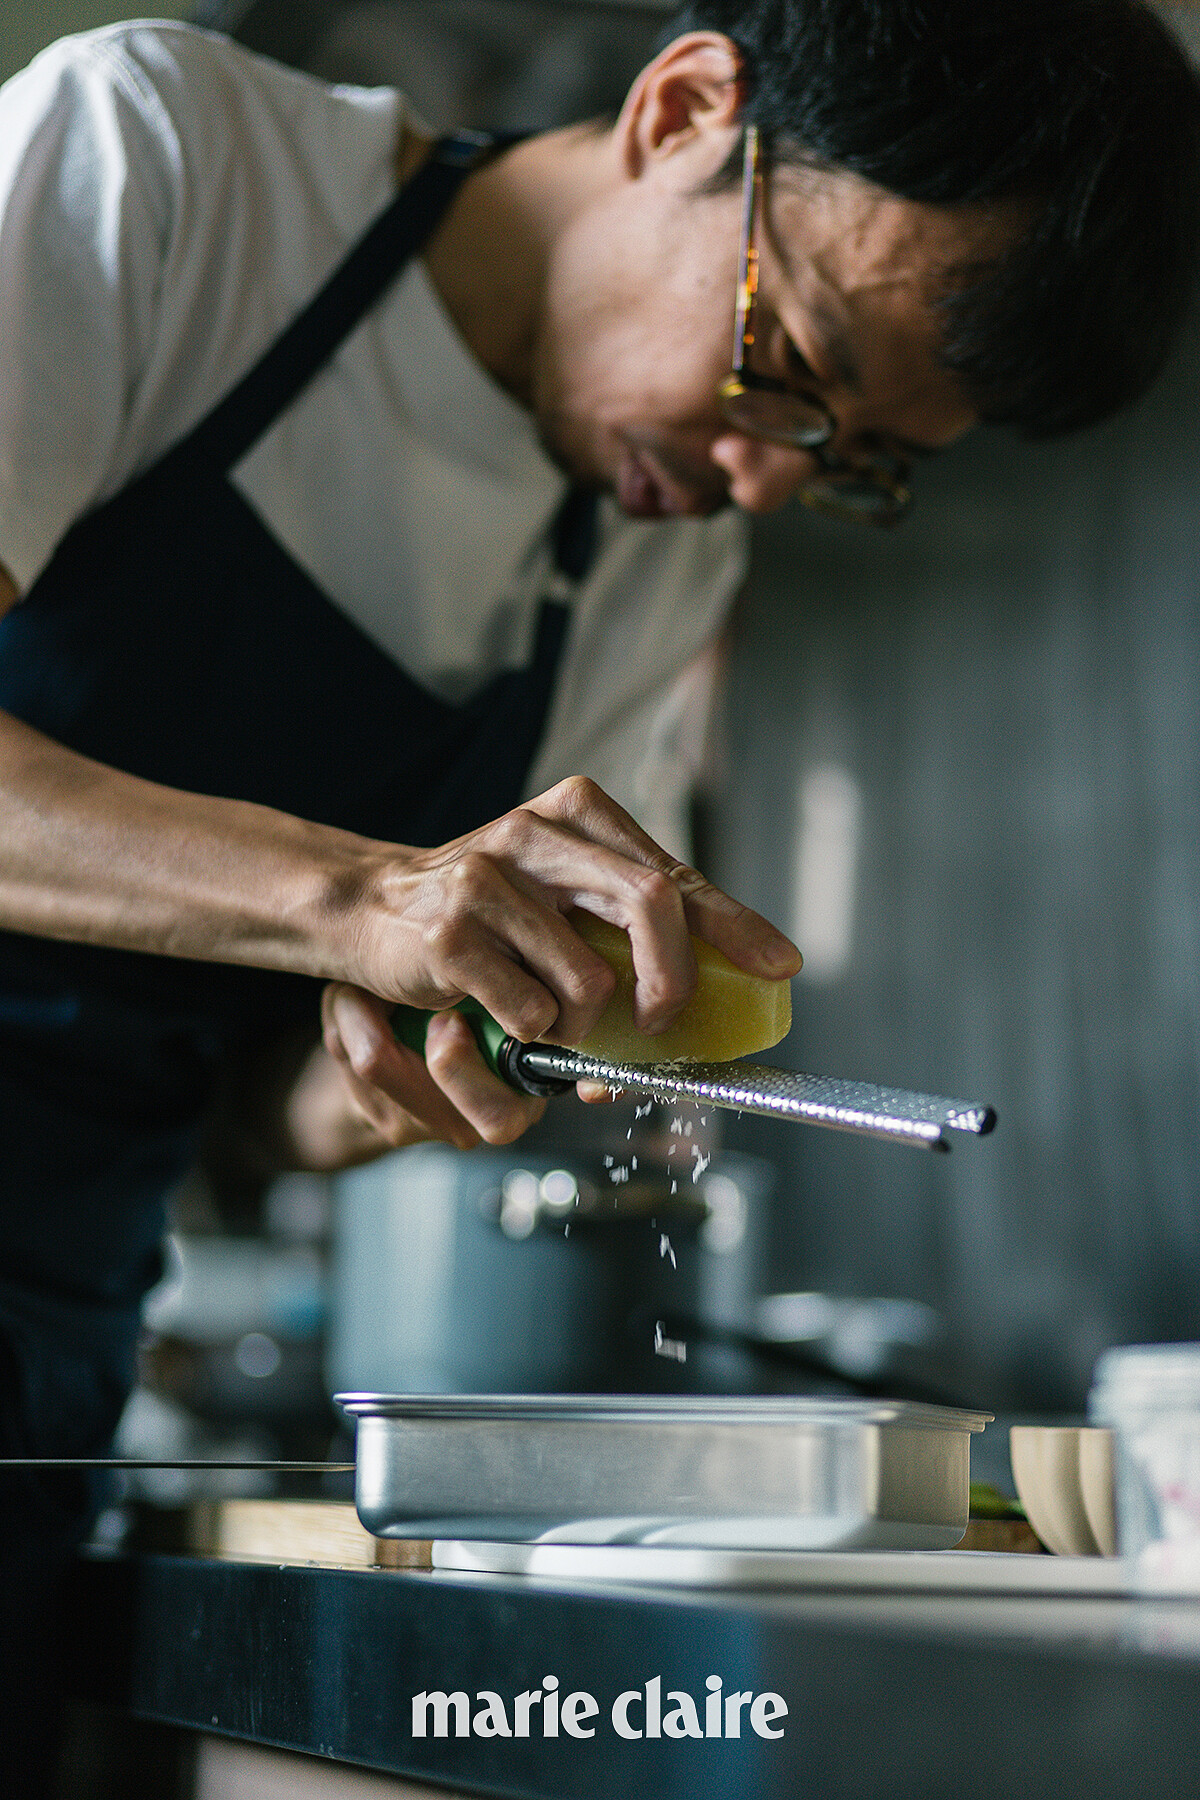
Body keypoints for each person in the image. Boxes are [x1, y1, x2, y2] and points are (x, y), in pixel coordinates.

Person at [0, 0, 1197, 1784]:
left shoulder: (638, 568)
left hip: (46, 1332)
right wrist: (363, 900)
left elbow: (251, 1113)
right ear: (687, 109)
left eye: (858, 461)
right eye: (786, 365)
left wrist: (391, 1086)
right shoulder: (170, 164)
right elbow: (368, 907)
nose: (762, 482)